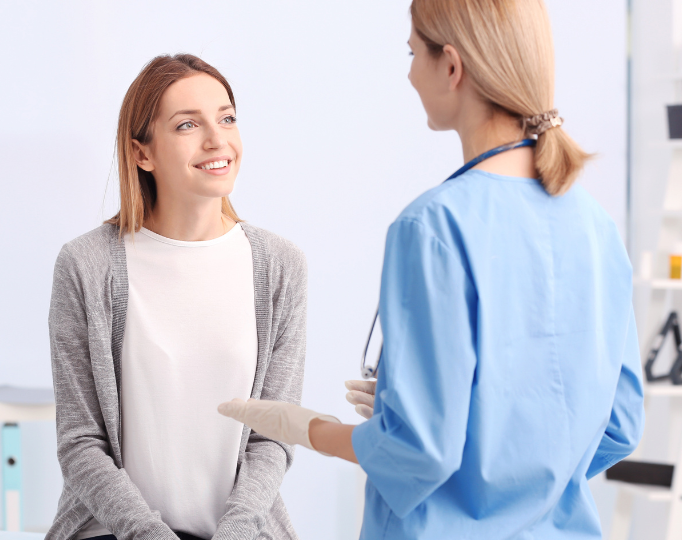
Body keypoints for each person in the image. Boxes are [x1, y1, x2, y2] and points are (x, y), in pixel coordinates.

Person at [218, 1, 645, 538]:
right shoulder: (596, 226)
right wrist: (504, 450)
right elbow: (620, 426)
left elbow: (416, 453)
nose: (409, 72)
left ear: (451, 66)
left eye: (413, 51)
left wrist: (309, 428)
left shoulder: (432, 228)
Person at [47, 54, 307, 540]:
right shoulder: (86, 266)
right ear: (142, 153)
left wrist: (234, 533)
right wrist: (148, 533)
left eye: (226, 118)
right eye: (188, 124)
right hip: (116, 533)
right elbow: (81, 444)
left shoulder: (279, 265)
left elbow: (274, 436)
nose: (217, 140)